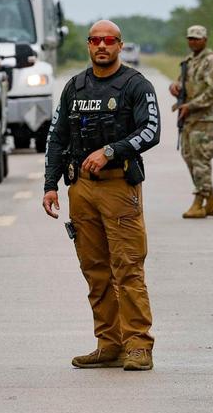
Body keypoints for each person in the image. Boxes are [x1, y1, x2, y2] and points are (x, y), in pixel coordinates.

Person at [42, 20, 161, 371]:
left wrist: (112, 151)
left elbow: (151, 130)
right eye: (95, 40)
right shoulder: (75, 87)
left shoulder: (136, 86)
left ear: (120, 45)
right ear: (88, 45)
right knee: (95, 270)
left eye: (109, 40)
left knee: (127, 268)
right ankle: (109, 342)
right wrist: (50, 184)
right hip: (81, 188)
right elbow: (57, 137)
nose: (102, 45)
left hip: (118, 187)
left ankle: (138, 344)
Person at [169, 25, 213, 219]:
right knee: (189, 157)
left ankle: (199, 203)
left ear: (205, 40)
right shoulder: (189, 61)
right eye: (190, 38)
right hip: (187, 118)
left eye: (197, 38)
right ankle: (212, 201)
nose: (193, 41)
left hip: (203, 119)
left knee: (201, 160)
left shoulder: (211, 62)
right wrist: (175, 87)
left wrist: (191, 105)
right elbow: (181, 83)